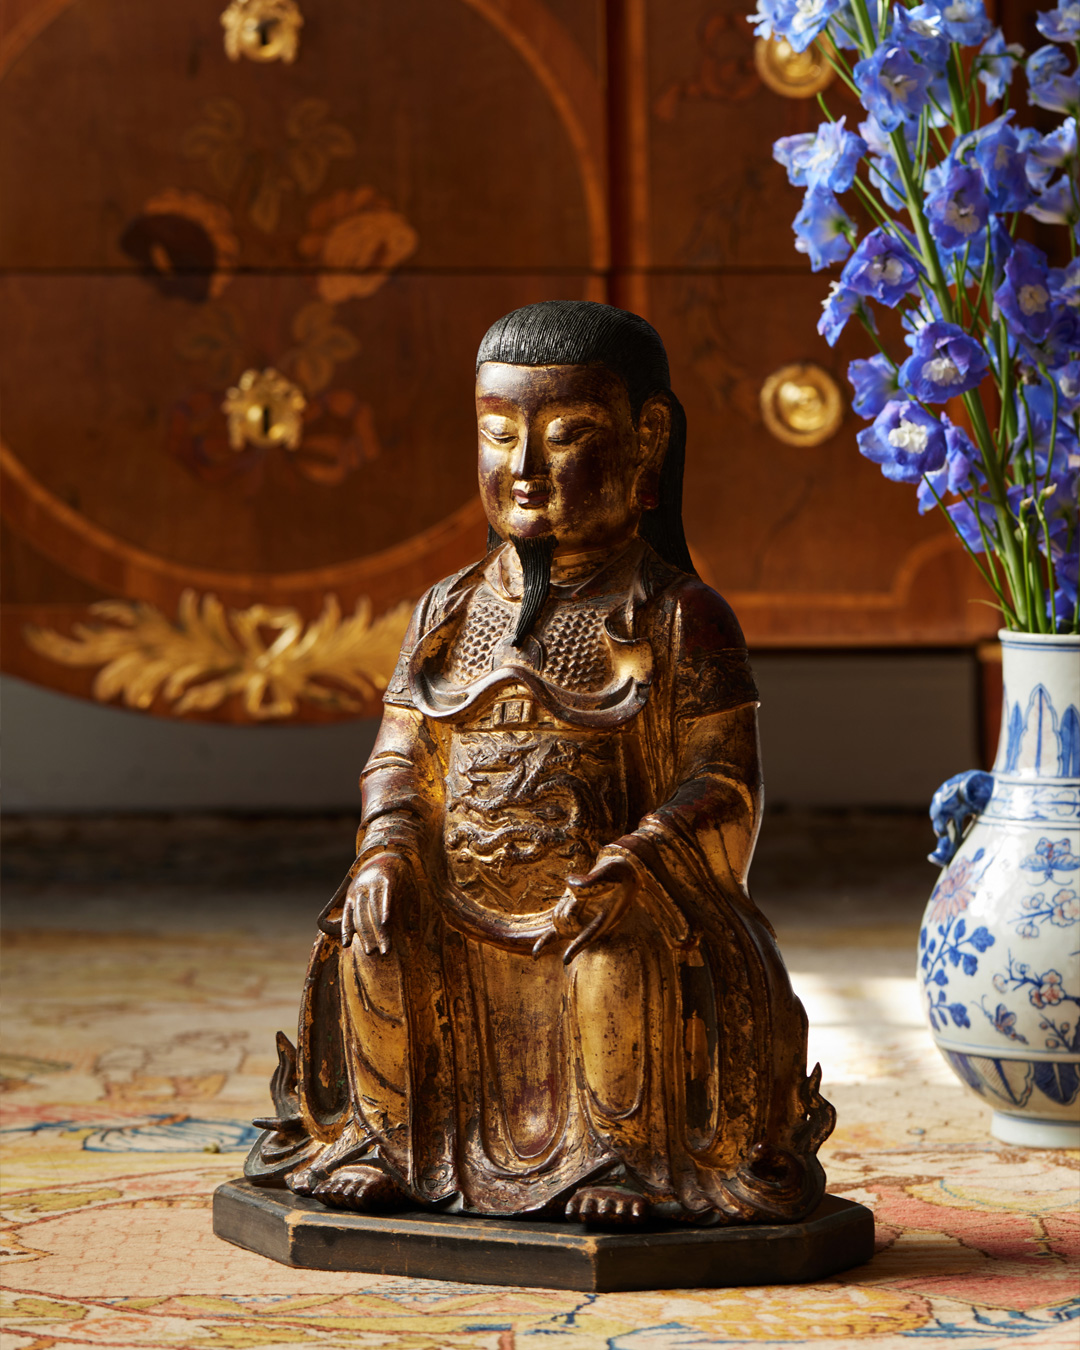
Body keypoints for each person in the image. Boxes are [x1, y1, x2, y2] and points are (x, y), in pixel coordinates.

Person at [244, 300, 834, 1225]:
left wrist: (637, 864)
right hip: (460, 905)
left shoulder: (680, 617)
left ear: (646, 441)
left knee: (617, 955)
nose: (524, 468)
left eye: (565, 437)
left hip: (603, 905)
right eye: (497, 434)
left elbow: (724, 783)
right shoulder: (446, 612)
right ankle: (388, 1138)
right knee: (374, 931)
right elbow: (398, 759)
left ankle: (626, 1158)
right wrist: (387, 850)